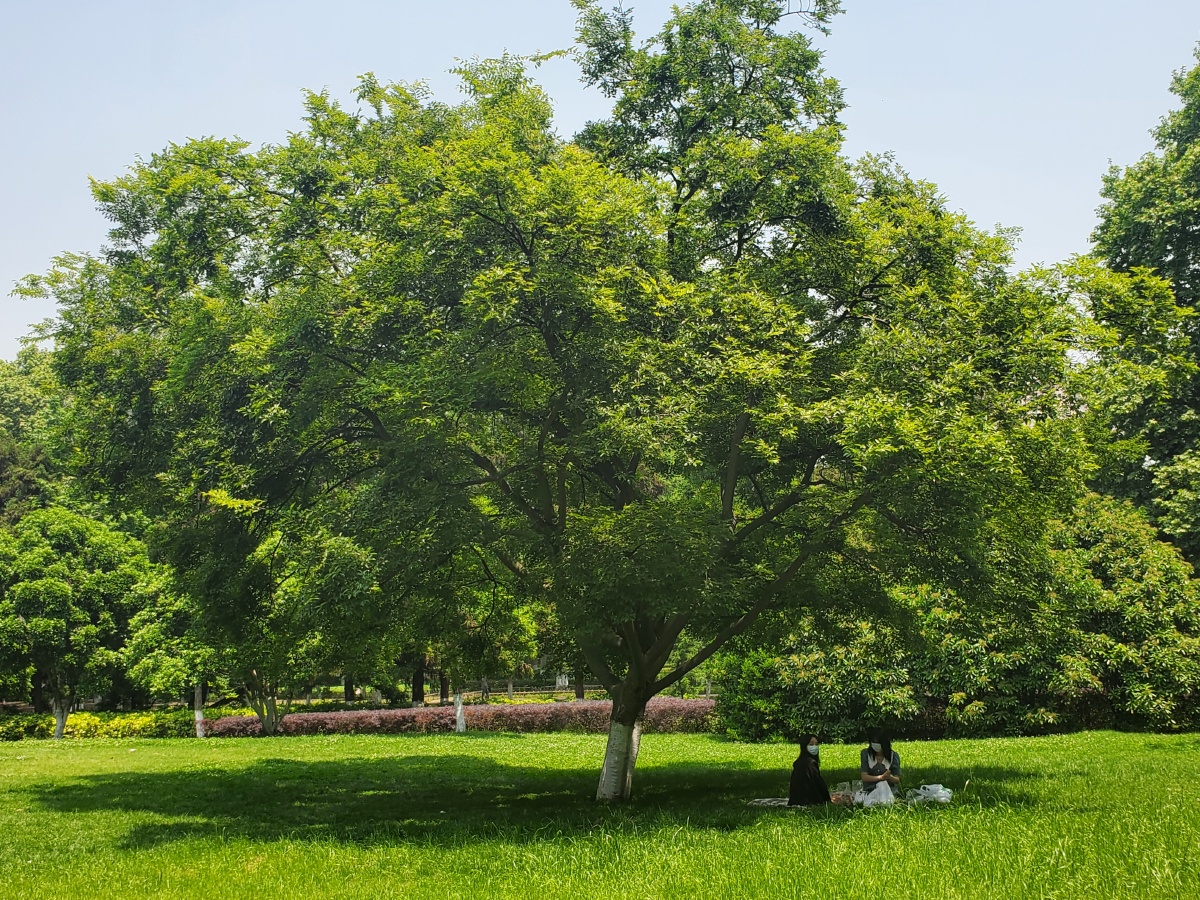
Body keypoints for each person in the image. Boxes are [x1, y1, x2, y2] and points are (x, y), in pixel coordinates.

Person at [788, 733, 830, 806]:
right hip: (808, 801)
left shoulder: (799, 762)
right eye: (811, 744)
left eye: (816, 744)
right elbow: (817, 785)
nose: (814, 747)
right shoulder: (810, 763)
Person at [860, 728, 901, 797]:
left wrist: (889, 777)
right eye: (873, 742)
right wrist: (881, 777)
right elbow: (864, 777)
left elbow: (897, 779)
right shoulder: (866, 754)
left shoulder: (893, 756)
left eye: (878, 743)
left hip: (888, 790)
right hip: (870, 790)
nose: (875, 745)